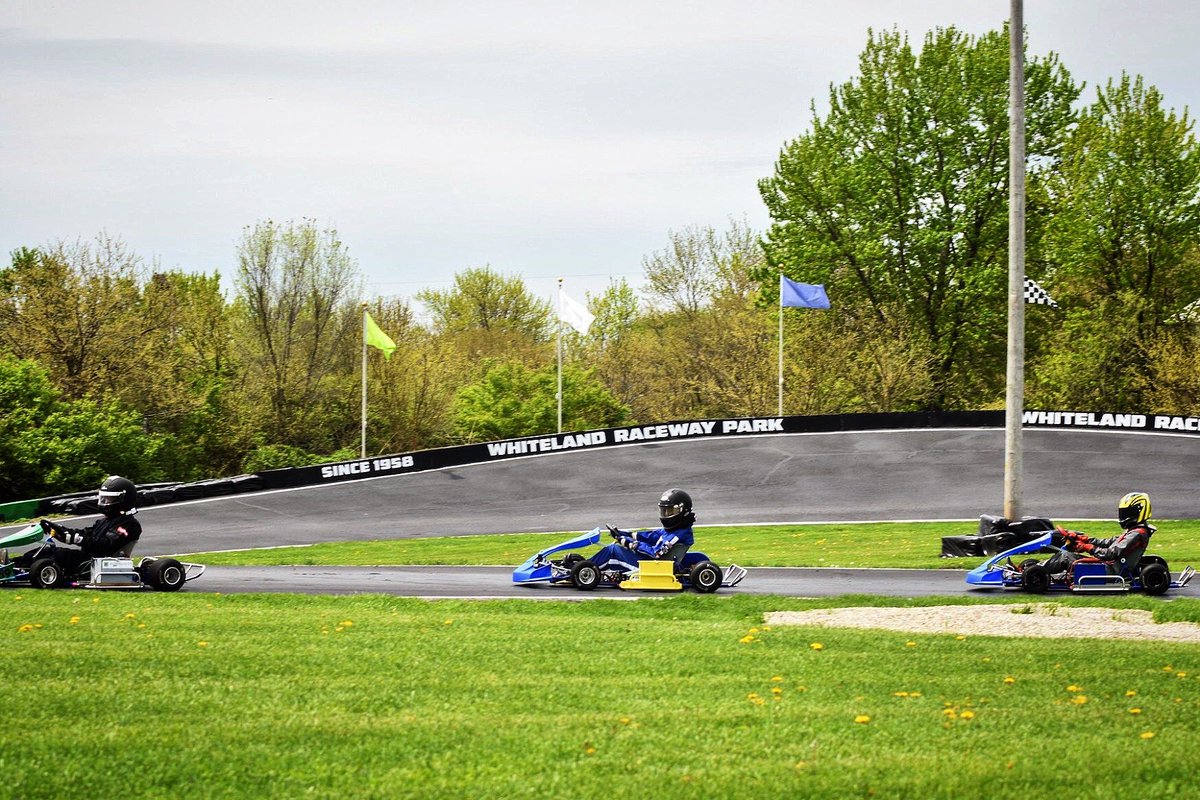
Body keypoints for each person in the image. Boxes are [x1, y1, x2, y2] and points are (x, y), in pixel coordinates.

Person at [39, 475, 143, 575]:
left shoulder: (128, 525)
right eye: (104, 498)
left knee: (58, 554)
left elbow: (105, 545)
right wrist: (63, 531)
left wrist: (77, 539)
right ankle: (29, 569)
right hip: (88, 559)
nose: (105, 501)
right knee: (46, 551)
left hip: (100, 563)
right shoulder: (104, 521)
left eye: (109, 498)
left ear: (124, 500)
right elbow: (85, 533)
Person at [1042, 491, 1155, 578]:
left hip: (1109, 570)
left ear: (1139, 512)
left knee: (1066, 557)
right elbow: (1108, 542)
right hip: (1108, 565)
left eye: (1127, 513)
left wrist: (1088, 548)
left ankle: (1039, 572)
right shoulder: (1134, 531)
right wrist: (1084, 539)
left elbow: (1111, 554)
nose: (1124, 516)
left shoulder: (1137, 534)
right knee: (1066, 554)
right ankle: (1039, 568)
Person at [584, 488, 696, 574]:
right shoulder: (675, 530)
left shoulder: (677, 535)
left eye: (670, 511)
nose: (666, 515)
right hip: (651, 563)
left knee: (612, 551)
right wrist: (624, 534)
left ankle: (585, 570)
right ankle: (584, 565)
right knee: (615, 548)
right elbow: (651, 536)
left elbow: (656, 553)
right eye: (664, 511)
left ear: (682, 511)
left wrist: (632, 544)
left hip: (652, 568)